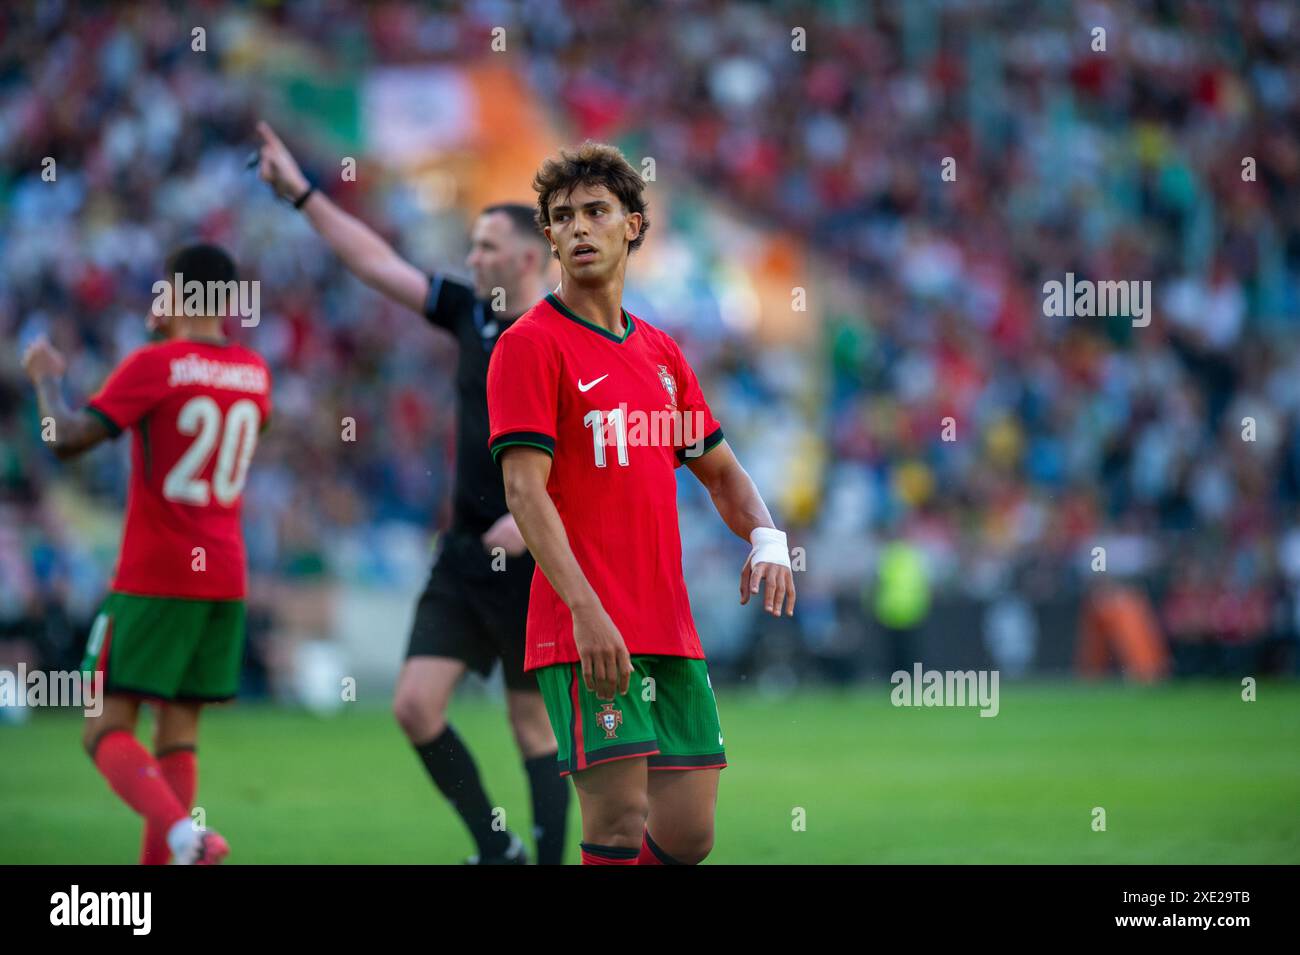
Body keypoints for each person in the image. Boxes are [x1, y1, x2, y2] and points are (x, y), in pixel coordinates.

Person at [255, 121, 569, 864]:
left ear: (528, 257)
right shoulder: (470, 311)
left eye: (486, 246)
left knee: (535, 727)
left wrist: (531, 525)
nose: (472, 257)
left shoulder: (563, 337)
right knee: (415, 705)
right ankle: (498, 848)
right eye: (471, 244)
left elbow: (588, 459)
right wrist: (302, 194)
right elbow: (375, 262)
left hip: (533, 562)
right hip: (464, 554)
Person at [487, 141, 796, 865]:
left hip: (666, 622)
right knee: (618, 823)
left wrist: (768, 538)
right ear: (551, 236)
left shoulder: (660, 354)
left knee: (688, 835)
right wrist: (587, 610)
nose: (578, 228)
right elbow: (523, 491)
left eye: (596, 211)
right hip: (583, 622)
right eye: (562, 217)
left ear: (632, 224)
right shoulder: (529, 346)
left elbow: (720, 473)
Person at [21, 243, 272, 864]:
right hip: (225, 578)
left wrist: (45, 378)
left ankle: (186, 837)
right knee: (178, 737)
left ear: (181, 294)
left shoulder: (154, 364)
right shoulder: (255, 374)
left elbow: (68, 439)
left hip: (155, 574)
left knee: (103, 727)